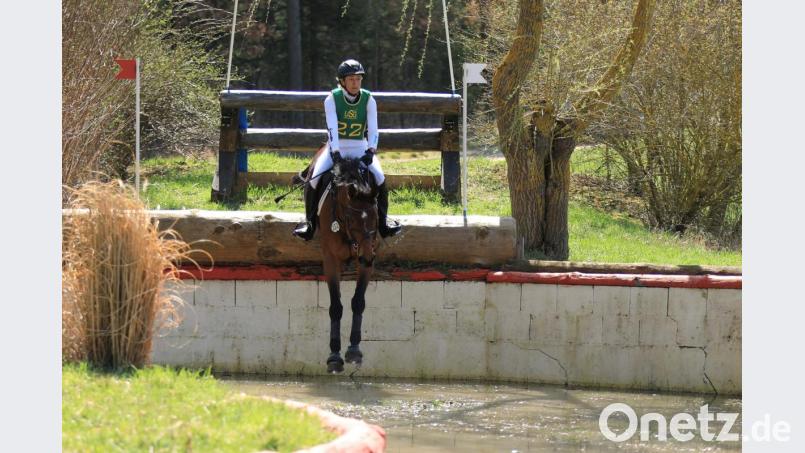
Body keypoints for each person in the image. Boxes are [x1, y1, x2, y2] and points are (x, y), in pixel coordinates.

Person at [293, 59, 402, 241]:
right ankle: (310, 224)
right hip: (336, 147)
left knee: (380, 178)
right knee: (314, 179)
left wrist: (371, 151)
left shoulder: (369, 99)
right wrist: (335, 153)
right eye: (351, 79)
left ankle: (383, 224)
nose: (355, 83)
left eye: (358, 79)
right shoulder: (332, 99)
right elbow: (332, 128)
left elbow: (374, 128)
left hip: (360, 146)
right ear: (342, 81)